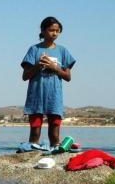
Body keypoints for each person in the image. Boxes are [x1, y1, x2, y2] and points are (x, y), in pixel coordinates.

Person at [21, 16, 76, 147]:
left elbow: (68, 77)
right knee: (35, 132)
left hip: (54, 97)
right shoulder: (34, 50)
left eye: (57, 31)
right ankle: (33, 154)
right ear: (43, 30)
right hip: (36, 96)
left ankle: (54, 155)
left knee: (55, 133)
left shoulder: (62, 51)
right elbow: (25, 76)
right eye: (51, 30)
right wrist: (38, 66)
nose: (55, 33)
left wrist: (54, 67)